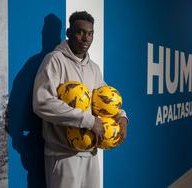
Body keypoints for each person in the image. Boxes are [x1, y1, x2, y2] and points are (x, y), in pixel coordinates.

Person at [33, 11, 128, 188]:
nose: (86, 38)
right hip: (62, 154)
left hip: (90, 151)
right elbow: (42, 102)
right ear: (69, 33)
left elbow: (104, 101)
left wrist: (122, 117)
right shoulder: (54, 61)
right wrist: (88, 121)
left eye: (90, 33)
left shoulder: (94, 68)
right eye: (80, 32)